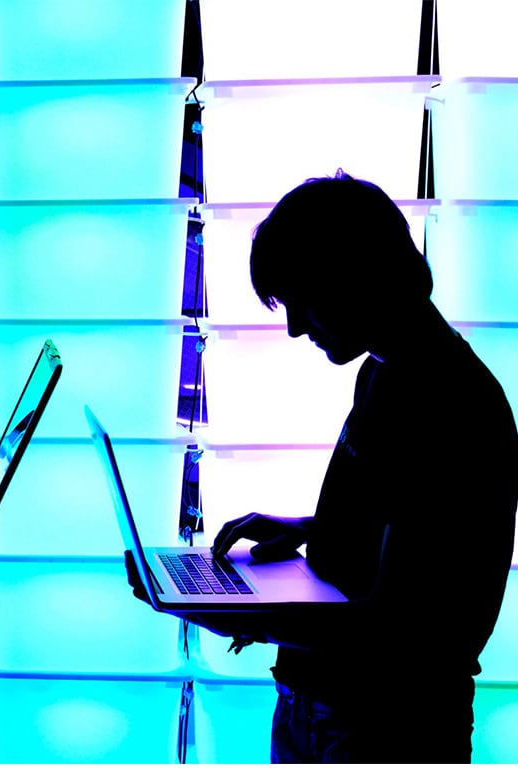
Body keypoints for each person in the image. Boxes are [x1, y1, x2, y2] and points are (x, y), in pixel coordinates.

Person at [128, 172, 518, 763]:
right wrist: (313, 528)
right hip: (330, 709)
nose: (294, 327)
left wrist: (237, 616)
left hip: (385, 727)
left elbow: (398, 630)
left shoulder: (451, 404)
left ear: (351, 278)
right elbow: (415, 525)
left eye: (300, 299)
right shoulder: (391, 372)